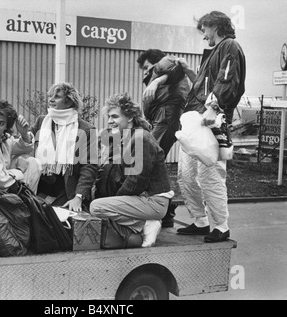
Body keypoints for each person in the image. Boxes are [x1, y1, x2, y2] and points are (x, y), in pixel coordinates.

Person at [175, 11, 246, 242]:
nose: (204, 36)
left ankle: (221, 226)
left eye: (204, 30)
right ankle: (200, 221)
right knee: (185, 175)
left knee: (210, 175)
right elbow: (206, 84)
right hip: (196, 119)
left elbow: (227, 79)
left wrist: (213, 108)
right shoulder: (214, 51)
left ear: (214, 26)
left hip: (210, 121)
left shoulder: (230, 46)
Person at [90, 93, 174, 247]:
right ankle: (142, 224)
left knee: (97, 207)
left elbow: (137, 180)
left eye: (115, 117)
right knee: (99, 206)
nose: (110, 121)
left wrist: (116, 200)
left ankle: (145, 224)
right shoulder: (127, 138)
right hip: (142, 198)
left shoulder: (141, 138)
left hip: (153, 202)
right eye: (109, 117)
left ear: (129, 117)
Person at [137, 49, 190, 228]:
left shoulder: (167, 64)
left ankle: (162, 209)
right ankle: (166, 210)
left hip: (166, 116)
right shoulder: (160, 73)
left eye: (146, 67)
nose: (145, 72)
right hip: (161, 117)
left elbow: (175, 66)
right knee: (154, 163)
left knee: (147, 160)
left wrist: (157, 80)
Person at [30, 82, 98, 212]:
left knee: (56, 223)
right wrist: (23, 134)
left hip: (67, 191)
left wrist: (79, 196)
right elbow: (27, 144)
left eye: (57, 96)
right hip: (40, 186)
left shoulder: (87, 130)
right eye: (50, 96)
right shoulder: (41, 121)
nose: (51, 99)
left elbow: (89, 166)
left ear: (69, 102)